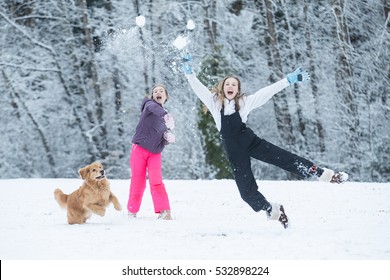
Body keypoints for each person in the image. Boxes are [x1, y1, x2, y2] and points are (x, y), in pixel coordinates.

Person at [181, 53, 348, 228]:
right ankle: (272, 210)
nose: (230, 86)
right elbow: (199, 89)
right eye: (227, 84)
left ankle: (323, 174)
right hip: (235, 153)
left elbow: (266, 92)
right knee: (246, 193)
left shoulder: (245, 102)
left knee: (285, 158)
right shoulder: (214, 103)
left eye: (234, 84)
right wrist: (189, 72)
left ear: (238, 90)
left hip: (252, 143)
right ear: (223, 88)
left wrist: (288, 80)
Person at [127, 85, 175, 220]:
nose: (158, 93)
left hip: (154, 153)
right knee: (138, 181)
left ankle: (164, 211)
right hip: (139, 150)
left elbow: (159, 137)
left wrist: (166, 138)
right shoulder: (149, 105)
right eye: (155, 91)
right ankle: (132, 211)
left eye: (161, 91)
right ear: (153, 96)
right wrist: (165, 115)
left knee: (156, 181)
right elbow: (155, 109)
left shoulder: (166, 116)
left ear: (166, 96)